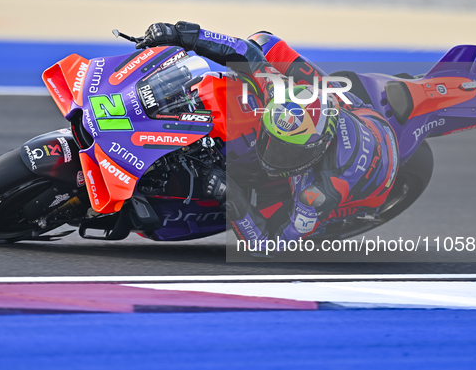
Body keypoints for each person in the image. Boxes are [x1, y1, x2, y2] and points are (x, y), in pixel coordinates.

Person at [136, 22, 399, 250]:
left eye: (285, 151)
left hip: (377, 166)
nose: (272, 153)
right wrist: (181, 34)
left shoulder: (319, 190)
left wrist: (233, 198)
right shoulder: (281, 92)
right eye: (271, 137)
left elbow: (269, 246)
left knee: (267, 209)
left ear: (314, 151)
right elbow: (244, 51)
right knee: (263, 42)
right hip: (357, 110)